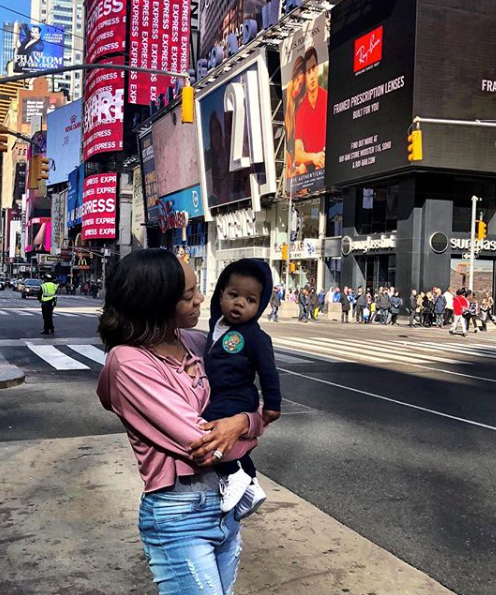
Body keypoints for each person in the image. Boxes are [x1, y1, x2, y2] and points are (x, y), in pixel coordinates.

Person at [97, 249, 266, 594]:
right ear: (157, 303)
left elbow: (254, 401)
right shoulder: (129, 362)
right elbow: (203, 445)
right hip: (179, 517)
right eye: (188, 295)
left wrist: (242, 423)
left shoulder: (197, 342)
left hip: (226, 507)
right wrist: (249, 428)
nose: (201, 299)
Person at [203, 259, 281, 513]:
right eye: (233, 295)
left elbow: (268, 372)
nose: (239, 303)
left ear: (260, 306)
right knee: (224, 435)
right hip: (219, 394)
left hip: (237, 396)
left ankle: (233, 473)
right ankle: (252, 482)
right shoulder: (217, 324)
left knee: (207, 428)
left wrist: (272, 405)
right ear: (221, 295)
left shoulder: (255, 336)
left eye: (250, 300)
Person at [294, 46, 327, 174]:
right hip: (310, 168)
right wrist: (313, 157)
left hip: (328, 165)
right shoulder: (301, 111)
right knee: (301, 168)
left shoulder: (327, 99)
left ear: (317, 68)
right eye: (308, 72)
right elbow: (297, 154)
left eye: (313, 69)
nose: (312, 76)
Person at [284, 56, 307, 179]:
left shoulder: (300, 105)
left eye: (301, 85)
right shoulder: (283, 98)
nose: (297, 88)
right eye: (297, 80)